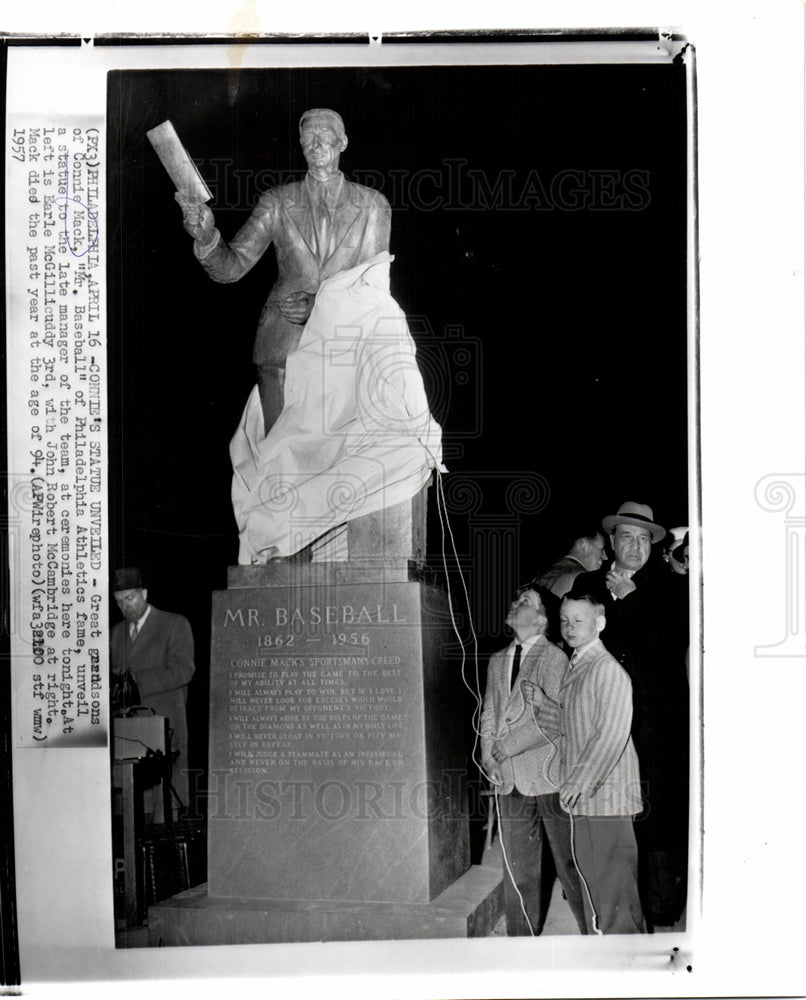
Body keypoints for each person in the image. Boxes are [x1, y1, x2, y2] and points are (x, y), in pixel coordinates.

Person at [175, 108, 391, 435]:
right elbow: (231, 267)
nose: (316, 143)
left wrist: (320, 304)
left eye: (325, 135)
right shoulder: (276, 201)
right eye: (308, 137)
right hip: (280, 351)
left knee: (338, 467)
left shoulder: (373, 205)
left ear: (343, 142)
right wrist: (206, 236)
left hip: (345, 350)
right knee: (281, 462)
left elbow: (374, 288)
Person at [568, 501, 689, 928]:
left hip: (656, 719)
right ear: (613, 542)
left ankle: (660, 906)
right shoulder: (586, 583)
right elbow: (578, 641)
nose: (635, 546)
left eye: (643, 539)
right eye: (626, 537)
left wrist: (630, 601)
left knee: (658, 810)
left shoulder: (672, 588)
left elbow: (669, 648)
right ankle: (611, 905)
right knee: (611, 809)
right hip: (603, 719)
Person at [525, 595, 646, 934]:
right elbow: (573, 724)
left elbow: (610, 734)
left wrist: (577, 783)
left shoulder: (606, 669)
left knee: (615, 891)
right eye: (564, 620)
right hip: (587, 795)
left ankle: (629, 966)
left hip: (605, 797)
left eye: (579, 620)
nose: (570, 627)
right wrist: (543, 705)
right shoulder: (579, 664)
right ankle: (610, 955)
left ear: (600, 623)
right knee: (597, 885)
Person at [480, 587, 588, 936]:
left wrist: (508, 746)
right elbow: (490, 713)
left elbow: (555, 717)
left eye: (525, 601)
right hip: (508, 777)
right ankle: (520, 938)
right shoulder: (498, 659)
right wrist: (488, 757)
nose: (515, 604)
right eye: (515, 600)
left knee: (569, 861)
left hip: (548, 775)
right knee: (518, 868)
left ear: (541, 619)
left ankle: (592, 932)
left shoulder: (554, 658)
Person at [111, 568, 196, 817]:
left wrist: (135, 683)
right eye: (119, 601)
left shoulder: (175, 624)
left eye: (130, 598)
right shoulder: (115, 634)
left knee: (165, 815)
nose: (125, 606)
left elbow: (183, 670)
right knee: (131, 818)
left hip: (164, 735)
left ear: (144, 593)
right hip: (128, 740)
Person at [536, 528, 607, 599]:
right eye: (602, 549)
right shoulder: (581, 578)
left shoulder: (543, 574)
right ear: (583, 545)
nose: (605, 557)